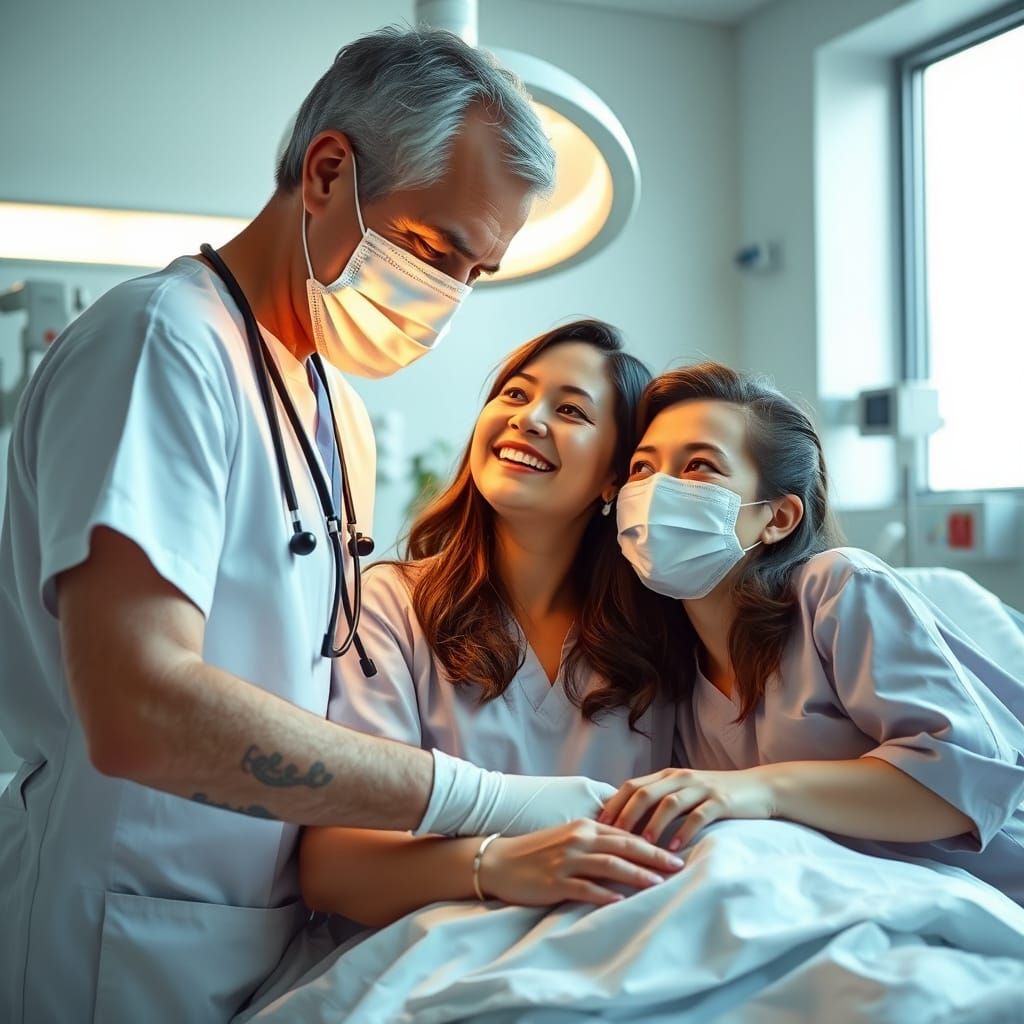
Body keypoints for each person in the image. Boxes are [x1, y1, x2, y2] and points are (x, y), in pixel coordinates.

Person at [0, 28, 619, 1024]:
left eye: (478, 273)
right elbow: (138, 708)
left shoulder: (341, 417)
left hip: (268, 934)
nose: (448, 298)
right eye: (431, 250)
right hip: (117, 933)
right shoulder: (163, 345)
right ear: (327, 171)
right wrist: (490, 805)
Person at [295, 321, 688, 933]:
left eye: (570, 410)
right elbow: (334, 869)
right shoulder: (392, 603)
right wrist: (496, 865)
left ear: (617, 475)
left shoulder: (660, 634)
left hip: (610, 955)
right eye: (514, 394)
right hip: (426, 959)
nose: (528, 419)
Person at [601, 361, 1024, 904]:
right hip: (859, 903)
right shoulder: (667, 669)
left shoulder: (838, 586)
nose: (656, 489)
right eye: (642, 467)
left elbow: (960, 784)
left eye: (699, 466)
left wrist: (754, 789)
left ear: (778, 517)